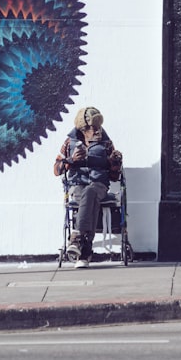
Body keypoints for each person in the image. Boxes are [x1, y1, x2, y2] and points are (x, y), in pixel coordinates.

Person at [53, 106, 123, 268]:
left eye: (99, 127)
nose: (98, 131)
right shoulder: (69, 143)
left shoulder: (106, 144)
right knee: (88, 197)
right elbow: (56, 169)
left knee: (91, 191)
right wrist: (70, 160)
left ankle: (76, 236)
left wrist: (114, 162)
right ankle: (85, 252)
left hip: (99, 185)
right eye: (93, 128)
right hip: (77, 184)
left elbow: (114, 176)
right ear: (83, 129)